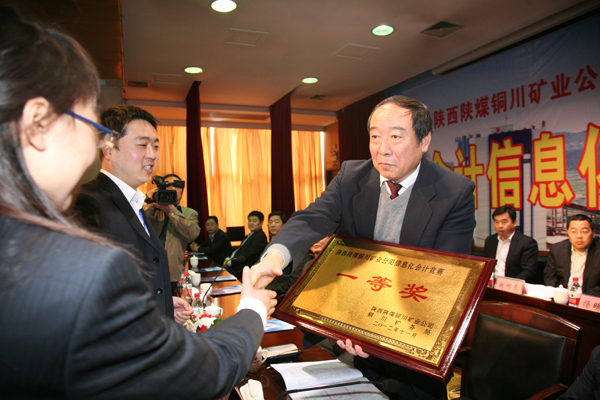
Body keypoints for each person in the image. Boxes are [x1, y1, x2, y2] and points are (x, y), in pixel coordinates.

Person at [0, 7, 277, 398]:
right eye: (89, 124)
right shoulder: (83, 243)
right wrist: (251, 311)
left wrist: (157, 310)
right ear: (39, 122)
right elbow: (192, 375)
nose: (92, 143)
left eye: (156, 146)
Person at [252, 95, 476, 400]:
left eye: (396, 137)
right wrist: (275, 256)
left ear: (424, 141)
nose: (382, 148)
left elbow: (444, 284)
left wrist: (374, 331)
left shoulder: (454, 192)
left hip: (410, 350)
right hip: (348, 343)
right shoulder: (350, 177)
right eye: (375, 137)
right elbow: (312, 218)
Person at [72, 104, 193, 323]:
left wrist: (163, 304)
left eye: (155, 146)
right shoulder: (89, 202)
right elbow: (90, 297)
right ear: (108, 150)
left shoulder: (133, 202)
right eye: (142, 145)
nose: (152, 155)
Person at [146, 173, 201, 294]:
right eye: (167, 186)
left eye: (176, 186)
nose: (171, 189)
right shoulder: (151, 210)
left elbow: (192, 234)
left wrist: (171, 211)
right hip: (147, 272)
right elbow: (135, 221)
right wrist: (148, 199)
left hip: (171, 275)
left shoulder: (189, 213)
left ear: (182, 191)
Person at [544, 214, 600, 295]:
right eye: (574, 231)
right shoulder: (557, 249)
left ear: (593, 232)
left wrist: (582, 298)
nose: (579, 236)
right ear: (568, 232)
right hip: (562, 297)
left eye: (584, 231)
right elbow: (550, 278)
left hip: (590, 298)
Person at [483, 205, 539, 283]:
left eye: (504, 222)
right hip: (492, 284)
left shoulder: (527, 243)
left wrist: (507, 284)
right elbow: (485, 266)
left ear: (514, 223)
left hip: (514, 285)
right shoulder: (490, 241)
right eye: (496, 222)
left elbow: (528, 271)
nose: (500, 226)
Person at [226, 211, 268, 280]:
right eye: (249, 221)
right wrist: (228, 258)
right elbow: (239, 250)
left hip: (243, 271)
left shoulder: (260, 236)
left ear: (261, 223)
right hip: (235, 267)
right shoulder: (248, 236)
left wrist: (230, 262)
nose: (251, 223)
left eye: (254, 221)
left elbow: (249, 255)